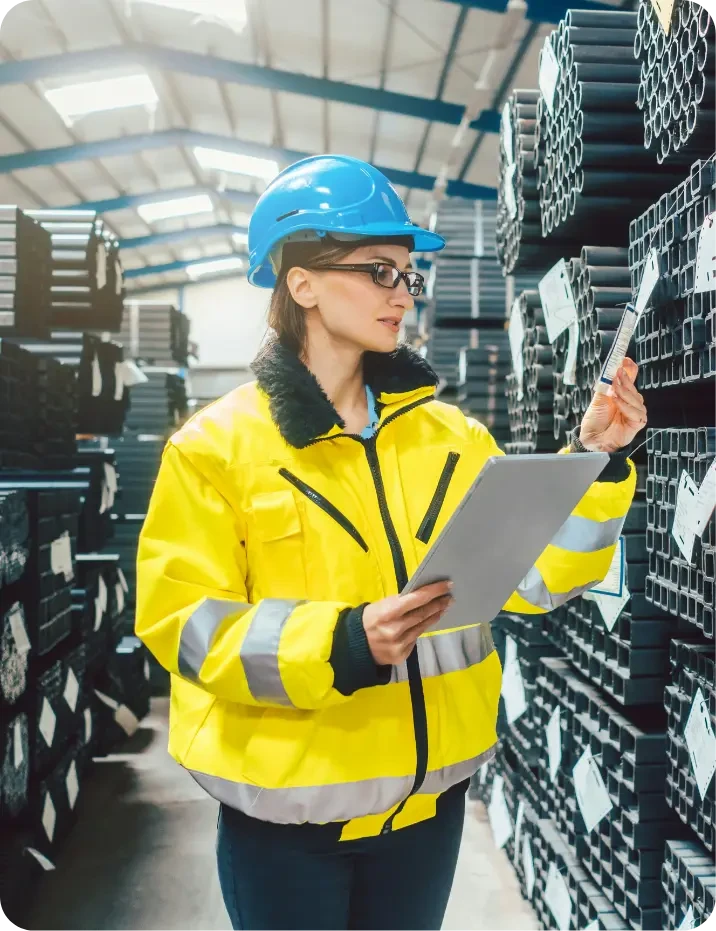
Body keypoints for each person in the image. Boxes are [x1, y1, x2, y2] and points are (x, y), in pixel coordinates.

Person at [135, 155, 647, 931]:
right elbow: (183, 623)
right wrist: (342, 641)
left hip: (427, 815)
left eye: (409, 275)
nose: (403, 294)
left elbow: (536, 579)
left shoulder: (452, 438)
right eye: (379, 271)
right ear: (301, 282)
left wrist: (596, 460)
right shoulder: (213, 449)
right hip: (289, 827)